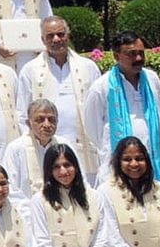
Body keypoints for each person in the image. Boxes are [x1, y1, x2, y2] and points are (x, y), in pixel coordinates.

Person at [83, 32, 160, 184]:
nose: (138, 58)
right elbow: (92, 129)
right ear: (116, 56)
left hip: (153, 160)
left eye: (141, 53)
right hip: (116, 164)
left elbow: (159, 112)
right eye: (131, 54)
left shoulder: (152, 80)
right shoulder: (102, 86)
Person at [19, 16, 101, 169]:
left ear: (68, 36)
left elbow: (101, 110)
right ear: (43, 40)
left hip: (85, 147)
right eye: (50, 36)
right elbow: (22, 114)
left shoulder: (88, 67)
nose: (56, 39)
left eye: (61, 34)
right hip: (46, 147)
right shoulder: (30, 70)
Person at [1, 100, 70, 198]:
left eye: (51, 120)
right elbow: (11, 189)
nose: (47, 125)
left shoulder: (64, 145)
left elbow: (79, 179)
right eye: (40, 119)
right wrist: (30, 212)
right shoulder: (16, 148)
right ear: (28, 123)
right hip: (26, 210)